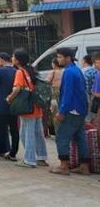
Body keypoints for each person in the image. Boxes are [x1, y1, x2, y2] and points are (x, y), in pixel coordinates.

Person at [50, 47, 90, 176]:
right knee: (80, 137)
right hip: (81, 108)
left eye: (60, 57)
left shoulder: (68, 72)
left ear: (68, 58)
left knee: (62, 137)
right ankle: (84, 166)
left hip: (71, 110)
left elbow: (67, 94)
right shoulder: (77, 70)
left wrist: (61, 111)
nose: (58, 59)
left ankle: (64, 165)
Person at [6, 49, 48, 168]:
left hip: (27, 107)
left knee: (26, 133)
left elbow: (17, 89)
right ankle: (42, 157)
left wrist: (9, 98)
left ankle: (29, 159)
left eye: (13, 57)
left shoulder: (20, 72)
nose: (12, 59)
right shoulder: (32, 71)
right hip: (36, 106)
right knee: (38, 133)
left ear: (18, 60)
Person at [0, 53, 19, 161]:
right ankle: (13, 153)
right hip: (14, 105)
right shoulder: (16, 71)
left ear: (1, 60)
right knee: (14, 130)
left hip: (1, 104)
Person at [47, 57, 64, 134]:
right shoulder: (64, 71)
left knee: (55, 112)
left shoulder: (53, 72)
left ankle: (57, 131)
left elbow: (47, 81)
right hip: (63, 92)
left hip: (55, 93)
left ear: (54, 64)